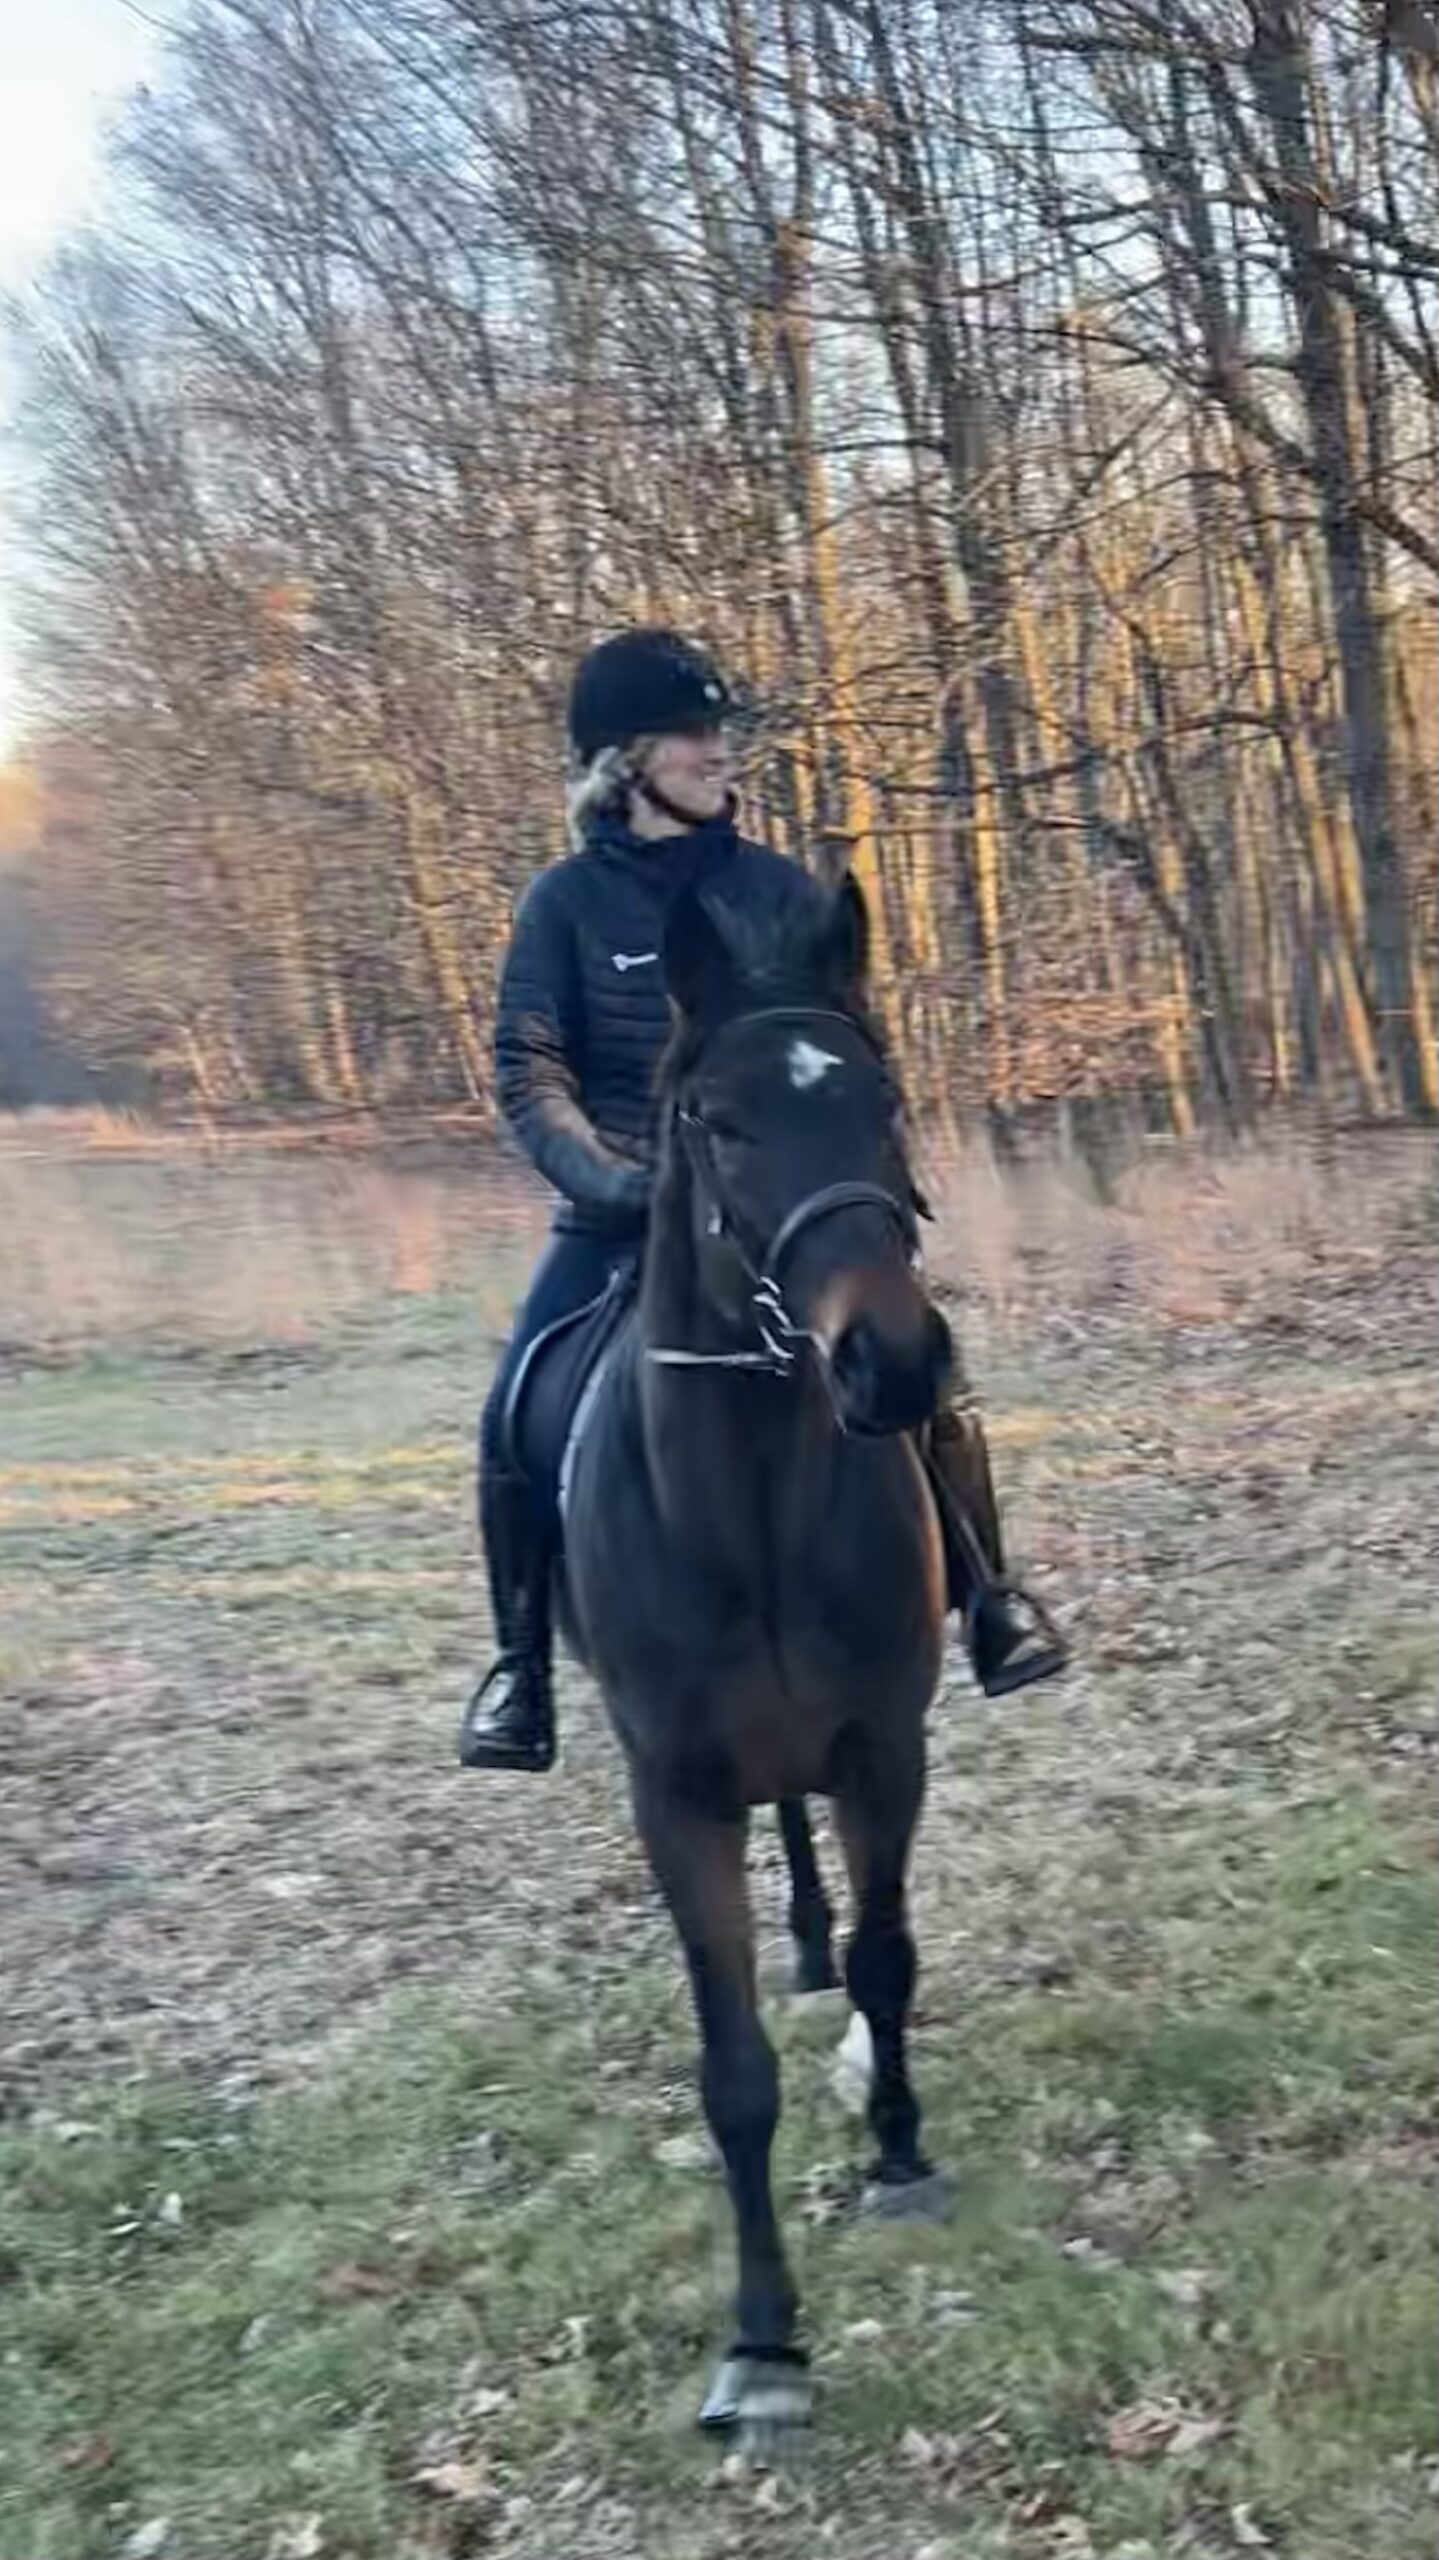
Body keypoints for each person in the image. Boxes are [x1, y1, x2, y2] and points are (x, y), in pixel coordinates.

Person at [460, 628, 1066, 1772]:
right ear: (623, 762)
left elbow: (840, 1051)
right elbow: (530, 1077)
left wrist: (847, 1177)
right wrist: (619, 1181)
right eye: (690, 735)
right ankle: (520, 1667)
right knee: (512, 1406)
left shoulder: (778, 890)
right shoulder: (562, 906)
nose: (717, 751)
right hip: (622, 1220)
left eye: (719, 732)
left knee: (927, 1376)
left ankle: (989, 1600)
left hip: (775, 1223)